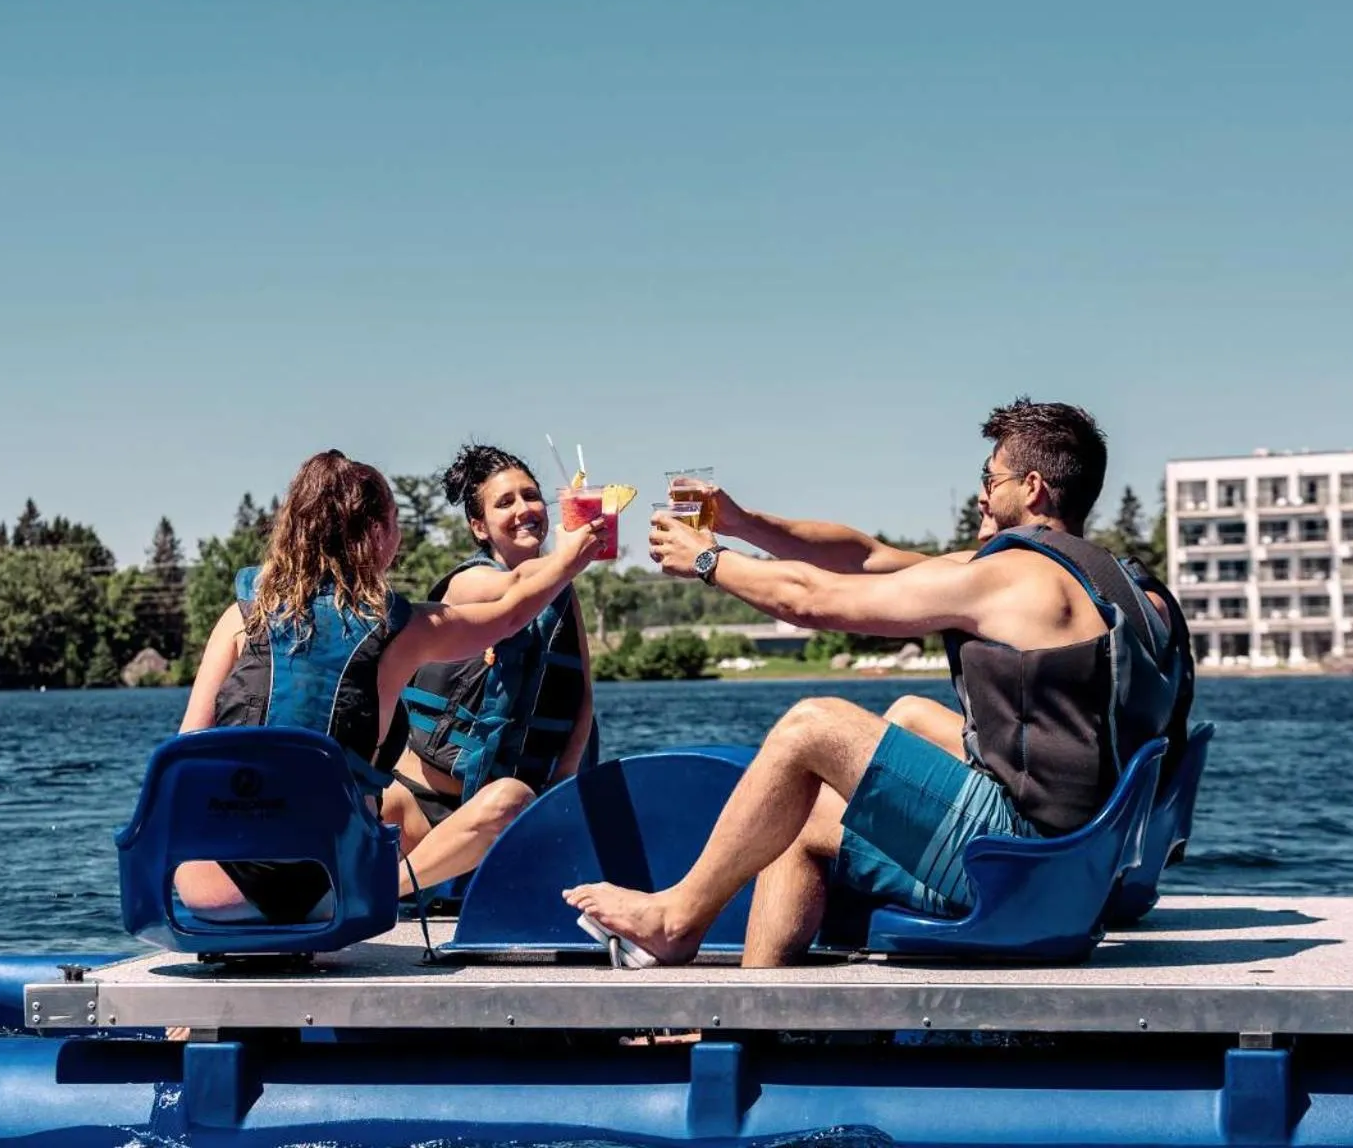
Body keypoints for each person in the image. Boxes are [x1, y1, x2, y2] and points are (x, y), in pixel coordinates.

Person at [564, 398, 1189, 967]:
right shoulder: (1121, 585)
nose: (980, 494)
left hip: (1025, 866)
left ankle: (676, 918)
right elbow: (868, 557)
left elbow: (815, 601)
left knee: (813, 725)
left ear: (1032, 487)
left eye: (989, 479)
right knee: (815, 800)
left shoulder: (1013, 579)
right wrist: (743, 523)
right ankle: (759, 1013)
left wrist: (708, 560)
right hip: (1086, 865)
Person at [170, 449, 603, 923]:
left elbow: (187, 748)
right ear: (377, 533)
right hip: (317, 894)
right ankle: (389, 890)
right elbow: (513, 613)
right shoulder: (397, 630)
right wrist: (570, 559)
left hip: (203, 888)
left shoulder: (239, 616)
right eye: (395, 520)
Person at [383, 444, 597, 895]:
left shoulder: (562, 593)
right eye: (505, 502)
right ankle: (387, 890)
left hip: (499, 817)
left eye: (532, 496)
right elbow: (517, 591)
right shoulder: (470, 583)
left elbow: (583, 701)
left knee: (512, 799)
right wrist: (568, 559)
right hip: (417, 809)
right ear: (479, 527)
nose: (525, 509)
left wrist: (560, 797)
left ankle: (394, 887)